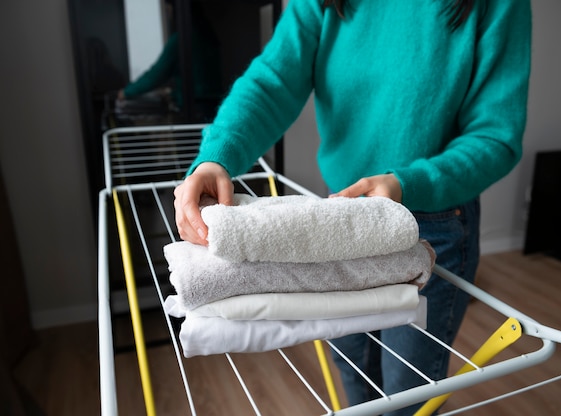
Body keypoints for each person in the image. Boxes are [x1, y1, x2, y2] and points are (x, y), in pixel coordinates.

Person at [174, 0, 531, 414]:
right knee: (353, 369)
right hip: (341, 218)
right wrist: (218, 156)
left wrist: (405, 183)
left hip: (430, 220)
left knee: (406, 393)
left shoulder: (497, 6)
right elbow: (272, 79)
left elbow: (496, 136)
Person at [118, 1, 222, 118]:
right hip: (215, 105)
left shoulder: (181, 39)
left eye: (169, 9)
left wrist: (126, 92)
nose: (168, 14)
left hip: (194, 108)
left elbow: (157, 74)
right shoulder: (209, 37)